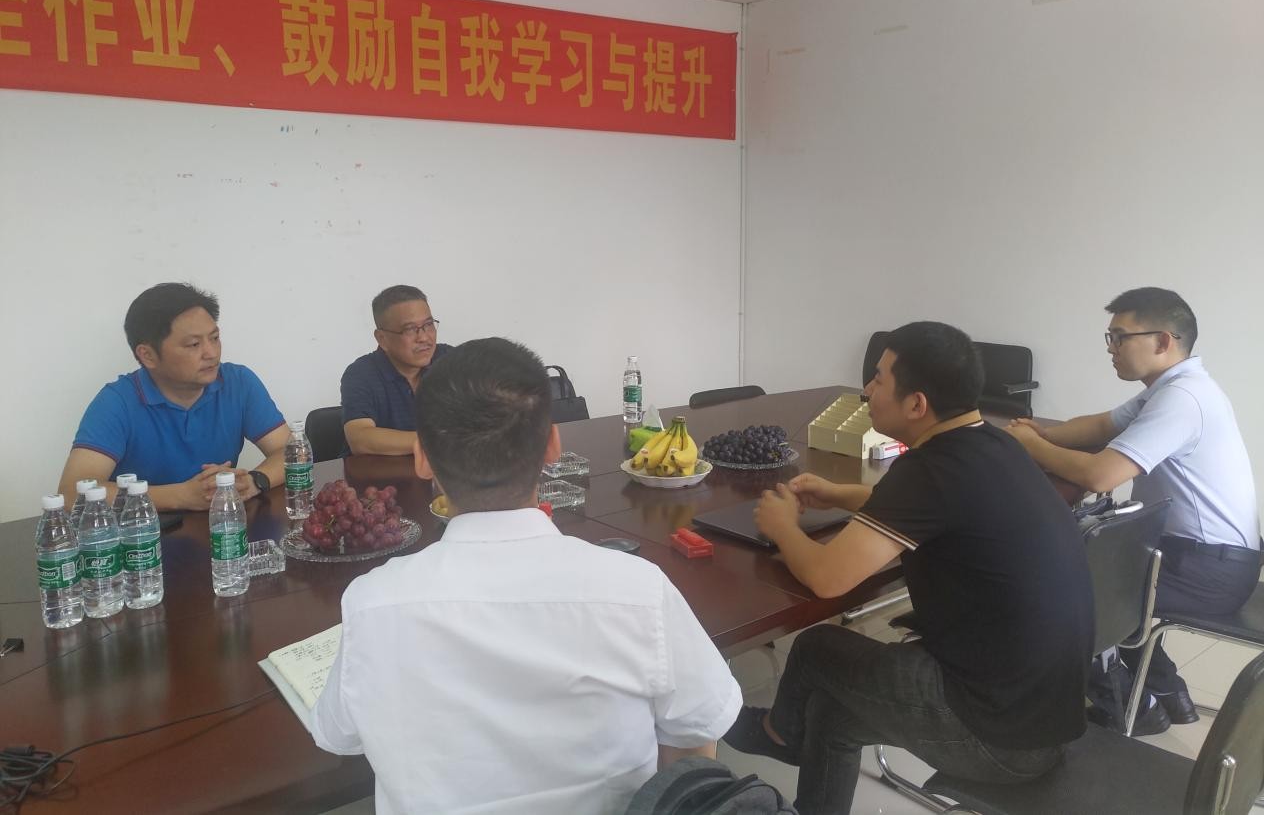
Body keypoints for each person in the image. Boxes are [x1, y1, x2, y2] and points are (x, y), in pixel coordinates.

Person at [311, 338, 741, 814]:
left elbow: (339, 734)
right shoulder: (638, 591)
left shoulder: (372, 604)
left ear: (422, 458)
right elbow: (698, 730)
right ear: (553, 444)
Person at [724, 322, 1093, 815]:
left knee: (816, 648)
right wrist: (838, 495)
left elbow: (827, 578)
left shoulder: (929, 470)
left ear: (917, 404)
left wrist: (783, 526)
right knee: (833, 711)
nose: (867, 389)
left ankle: (779, 735)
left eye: (878, 379)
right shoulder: (992, 443)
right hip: (1042, 715)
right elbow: (930, 507)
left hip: (997, 734)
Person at [1006, 287, 1259, 728]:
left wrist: (1031, 446)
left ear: (1162, 341)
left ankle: (1131, 707)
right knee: (1093, 559)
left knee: (1061, 587)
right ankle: (1167, 692)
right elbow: (1102, 425)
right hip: (1198, 556)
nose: (1111, 348)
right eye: (1110, 337)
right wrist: (1041, 434)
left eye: (1120, 337)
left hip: (1208, 571)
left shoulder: (1183, 399)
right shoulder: (1172, 387)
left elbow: (1100, 476)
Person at [57, 282, 287, 511]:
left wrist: (255, 480)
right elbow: (71, 494)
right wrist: (180, 496)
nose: (211, 353)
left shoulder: (238, 383)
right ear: (148, 355)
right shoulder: (117, 402)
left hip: (220, 524)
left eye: (215, 338)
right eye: (194, 344)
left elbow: (292, 452)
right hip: (142, 530)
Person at [340, 285, 452, 456]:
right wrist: (438, 441)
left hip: (438, 470)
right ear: (382, 339)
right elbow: (360, 439)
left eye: (428, 324)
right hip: (376, 472)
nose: (424, 337)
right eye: (410, 329)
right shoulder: (361, 373)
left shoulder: (448, 361)